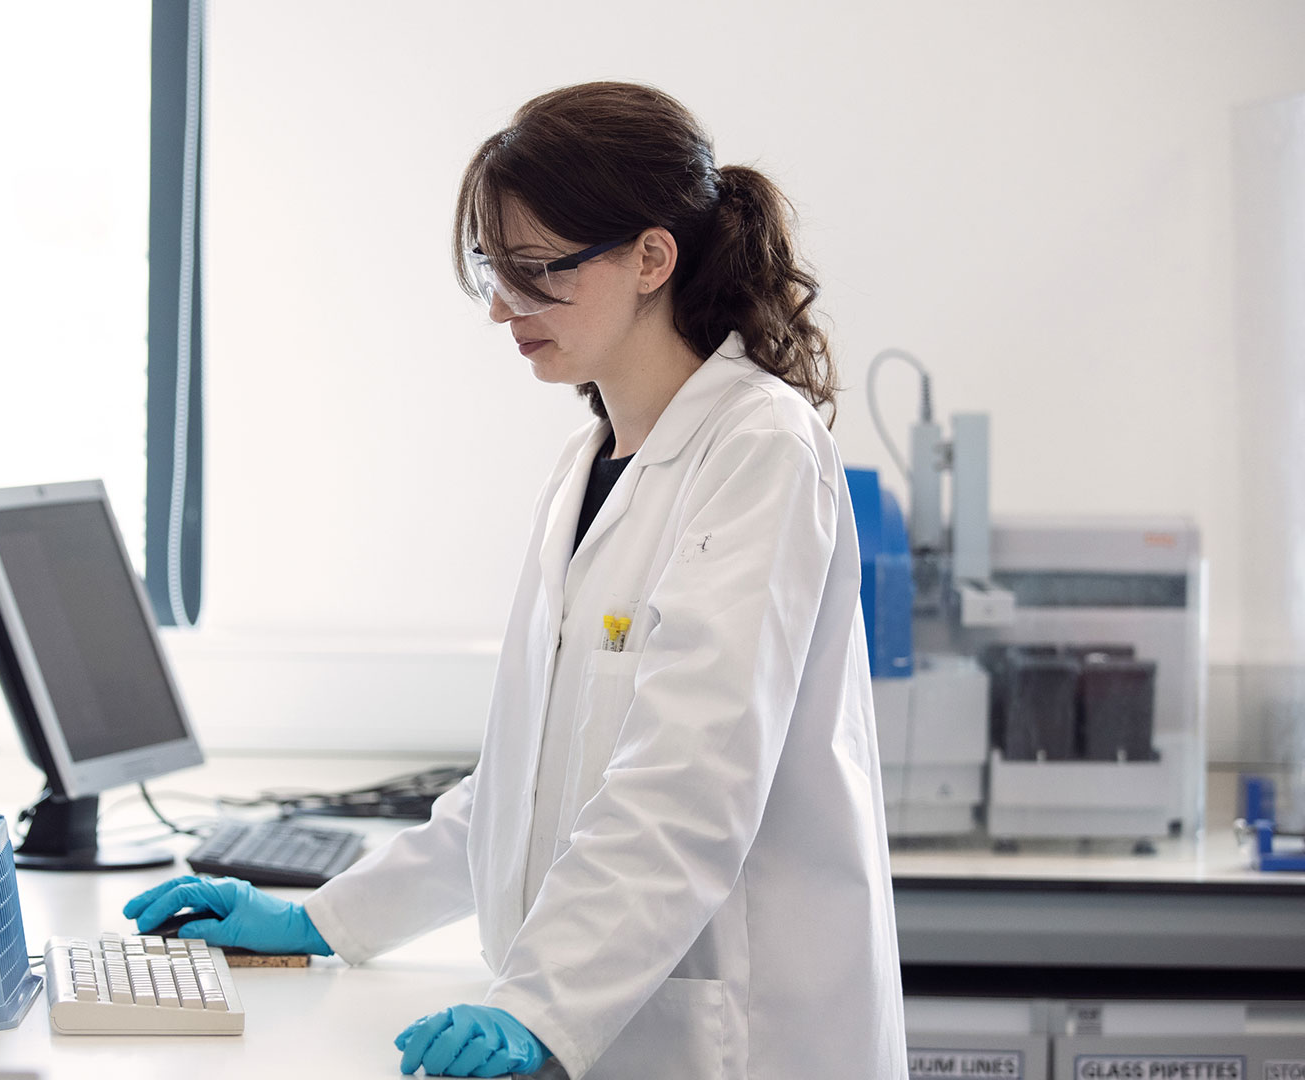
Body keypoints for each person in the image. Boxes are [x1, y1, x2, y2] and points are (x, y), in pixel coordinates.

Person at [124, 81, 907, 1080]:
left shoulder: (759, 449)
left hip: (740, 1037)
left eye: (538, 272)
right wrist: (323, 917)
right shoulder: (588, 465)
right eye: (495, 270)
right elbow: (521, 792)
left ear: (650, 259)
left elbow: (688, 783)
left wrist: (540, 1007)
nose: (503, 307)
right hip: (625, 1023)